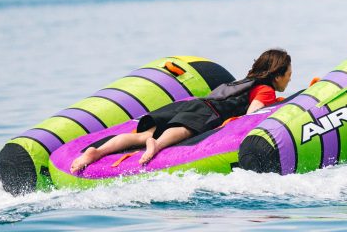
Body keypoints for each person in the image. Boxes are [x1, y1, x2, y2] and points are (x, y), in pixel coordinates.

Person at [70, 49, 292, 174]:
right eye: (288, 73)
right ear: (277, 74)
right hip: (206, 111)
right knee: (183, 131)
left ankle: (95, 152)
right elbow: (251, 117)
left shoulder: (244, 82)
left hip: (188, 104)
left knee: (143, 135)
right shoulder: (265, 89)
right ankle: (157, 145)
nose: (290, 78)